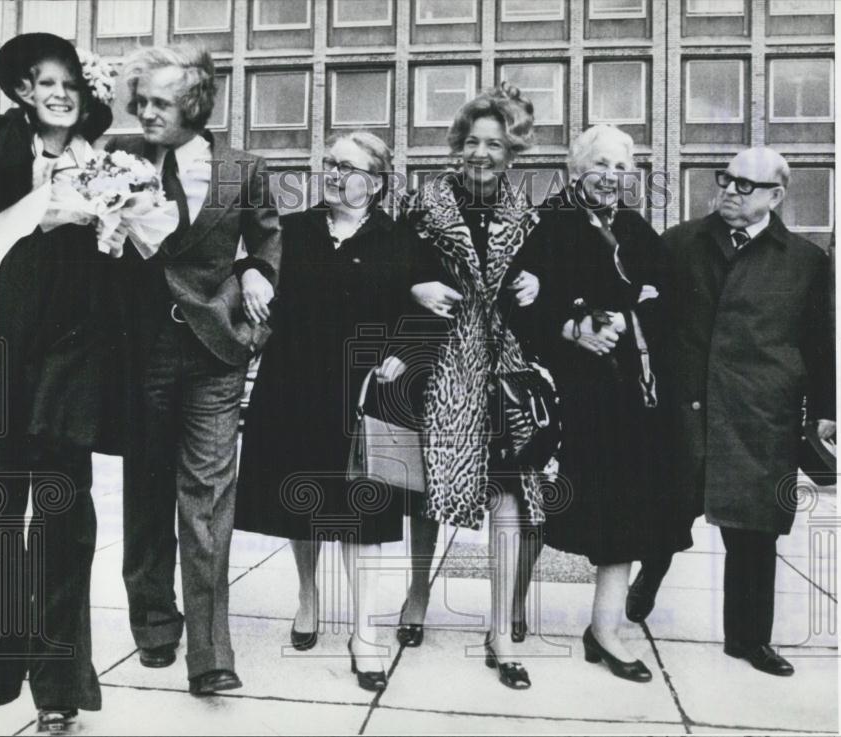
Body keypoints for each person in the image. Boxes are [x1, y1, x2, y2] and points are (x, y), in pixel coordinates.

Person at [0, 33, 116, 733]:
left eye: (72, 84)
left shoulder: (106, 170)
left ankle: (60, 687)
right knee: (0, 523)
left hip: (69, 372)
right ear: (23, 93)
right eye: (47, 83)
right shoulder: (2, 155)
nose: (61, 95)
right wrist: (45, 204)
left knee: (66, 523)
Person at [110, 45, 282, 695]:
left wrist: (258, 273)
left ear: (194, 103)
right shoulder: (116, 157)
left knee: (208, 502)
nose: (144, 110)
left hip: (215, 352)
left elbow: (266, 238)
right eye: (141, 100)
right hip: (139, 354)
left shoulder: (243, 168)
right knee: (147, 494)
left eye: (159, 100)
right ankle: (154, 623)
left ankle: (211, 651)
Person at [626, 146, 835, 677]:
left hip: (759, 412)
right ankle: (650, 574)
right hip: (686, 404)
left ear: (776, 196)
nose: (729, 191)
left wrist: (827, 411)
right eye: (726, 179)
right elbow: (645, 312)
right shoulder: (680, 243)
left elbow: (820, 343)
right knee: (668, 509)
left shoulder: (807, 261)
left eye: (745, 185)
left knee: (754, 529)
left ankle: (748, 639)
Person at [234, 131, 410, 692]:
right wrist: (250, 272)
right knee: (300, 503)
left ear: (376, 183)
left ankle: (365, 633)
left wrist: (403, 353)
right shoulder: (293, 230)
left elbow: (429, 308)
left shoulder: (397, 239)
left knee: (360, 516)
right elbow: (248, 267)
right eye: (329, 164)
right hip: (292, 387)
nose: (333, 175)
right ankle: (308, 597)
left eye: (348, 168)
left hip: (358, 396)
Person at [398, 83, 545, 690]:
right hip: (444, 365)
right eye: (473, 142)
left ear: (512, 153)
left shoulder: (530, 210)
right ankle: (416, 596)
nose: (482, 153)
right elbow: (393, 266)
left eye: (496, 144)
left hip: (506, 368)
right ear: (458, 147)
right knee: (433, 486)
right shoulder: (421, 203)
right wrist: (416, 287)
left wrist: (539, 281)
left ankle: (501, 631)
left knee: (512, 491)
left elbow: (553, 272)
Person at [531, 125, 669, 683]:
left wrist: (628, 311)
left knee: (626, 513)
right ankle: (508, 622)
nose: (612, 177)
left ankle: (605, 629)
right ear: (575, 169)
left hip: (629, 398)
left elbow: (666, 293)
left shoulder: (635, 228)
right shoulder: (546, 225)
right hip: (570, 397)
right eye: (601, 165)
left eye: (621, 167)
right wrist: (569, 328)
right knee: (543, 513)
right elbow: (521, 309)